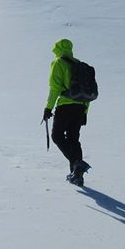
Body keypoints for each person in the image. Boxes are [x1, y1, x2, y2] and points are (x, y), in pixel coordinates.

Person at [42, 38, 91, 186]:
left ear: (56, 48)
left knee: (57, 135)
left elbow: (55, 87)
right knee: (73, 139)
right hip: (80, 107)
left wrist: (48, 108)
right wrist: (85, 112)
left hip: (65, 106)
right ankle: (77, 175)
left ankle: (77, 164)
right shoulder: (79, 65)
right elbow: (86, 92)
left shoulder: (59, 62)